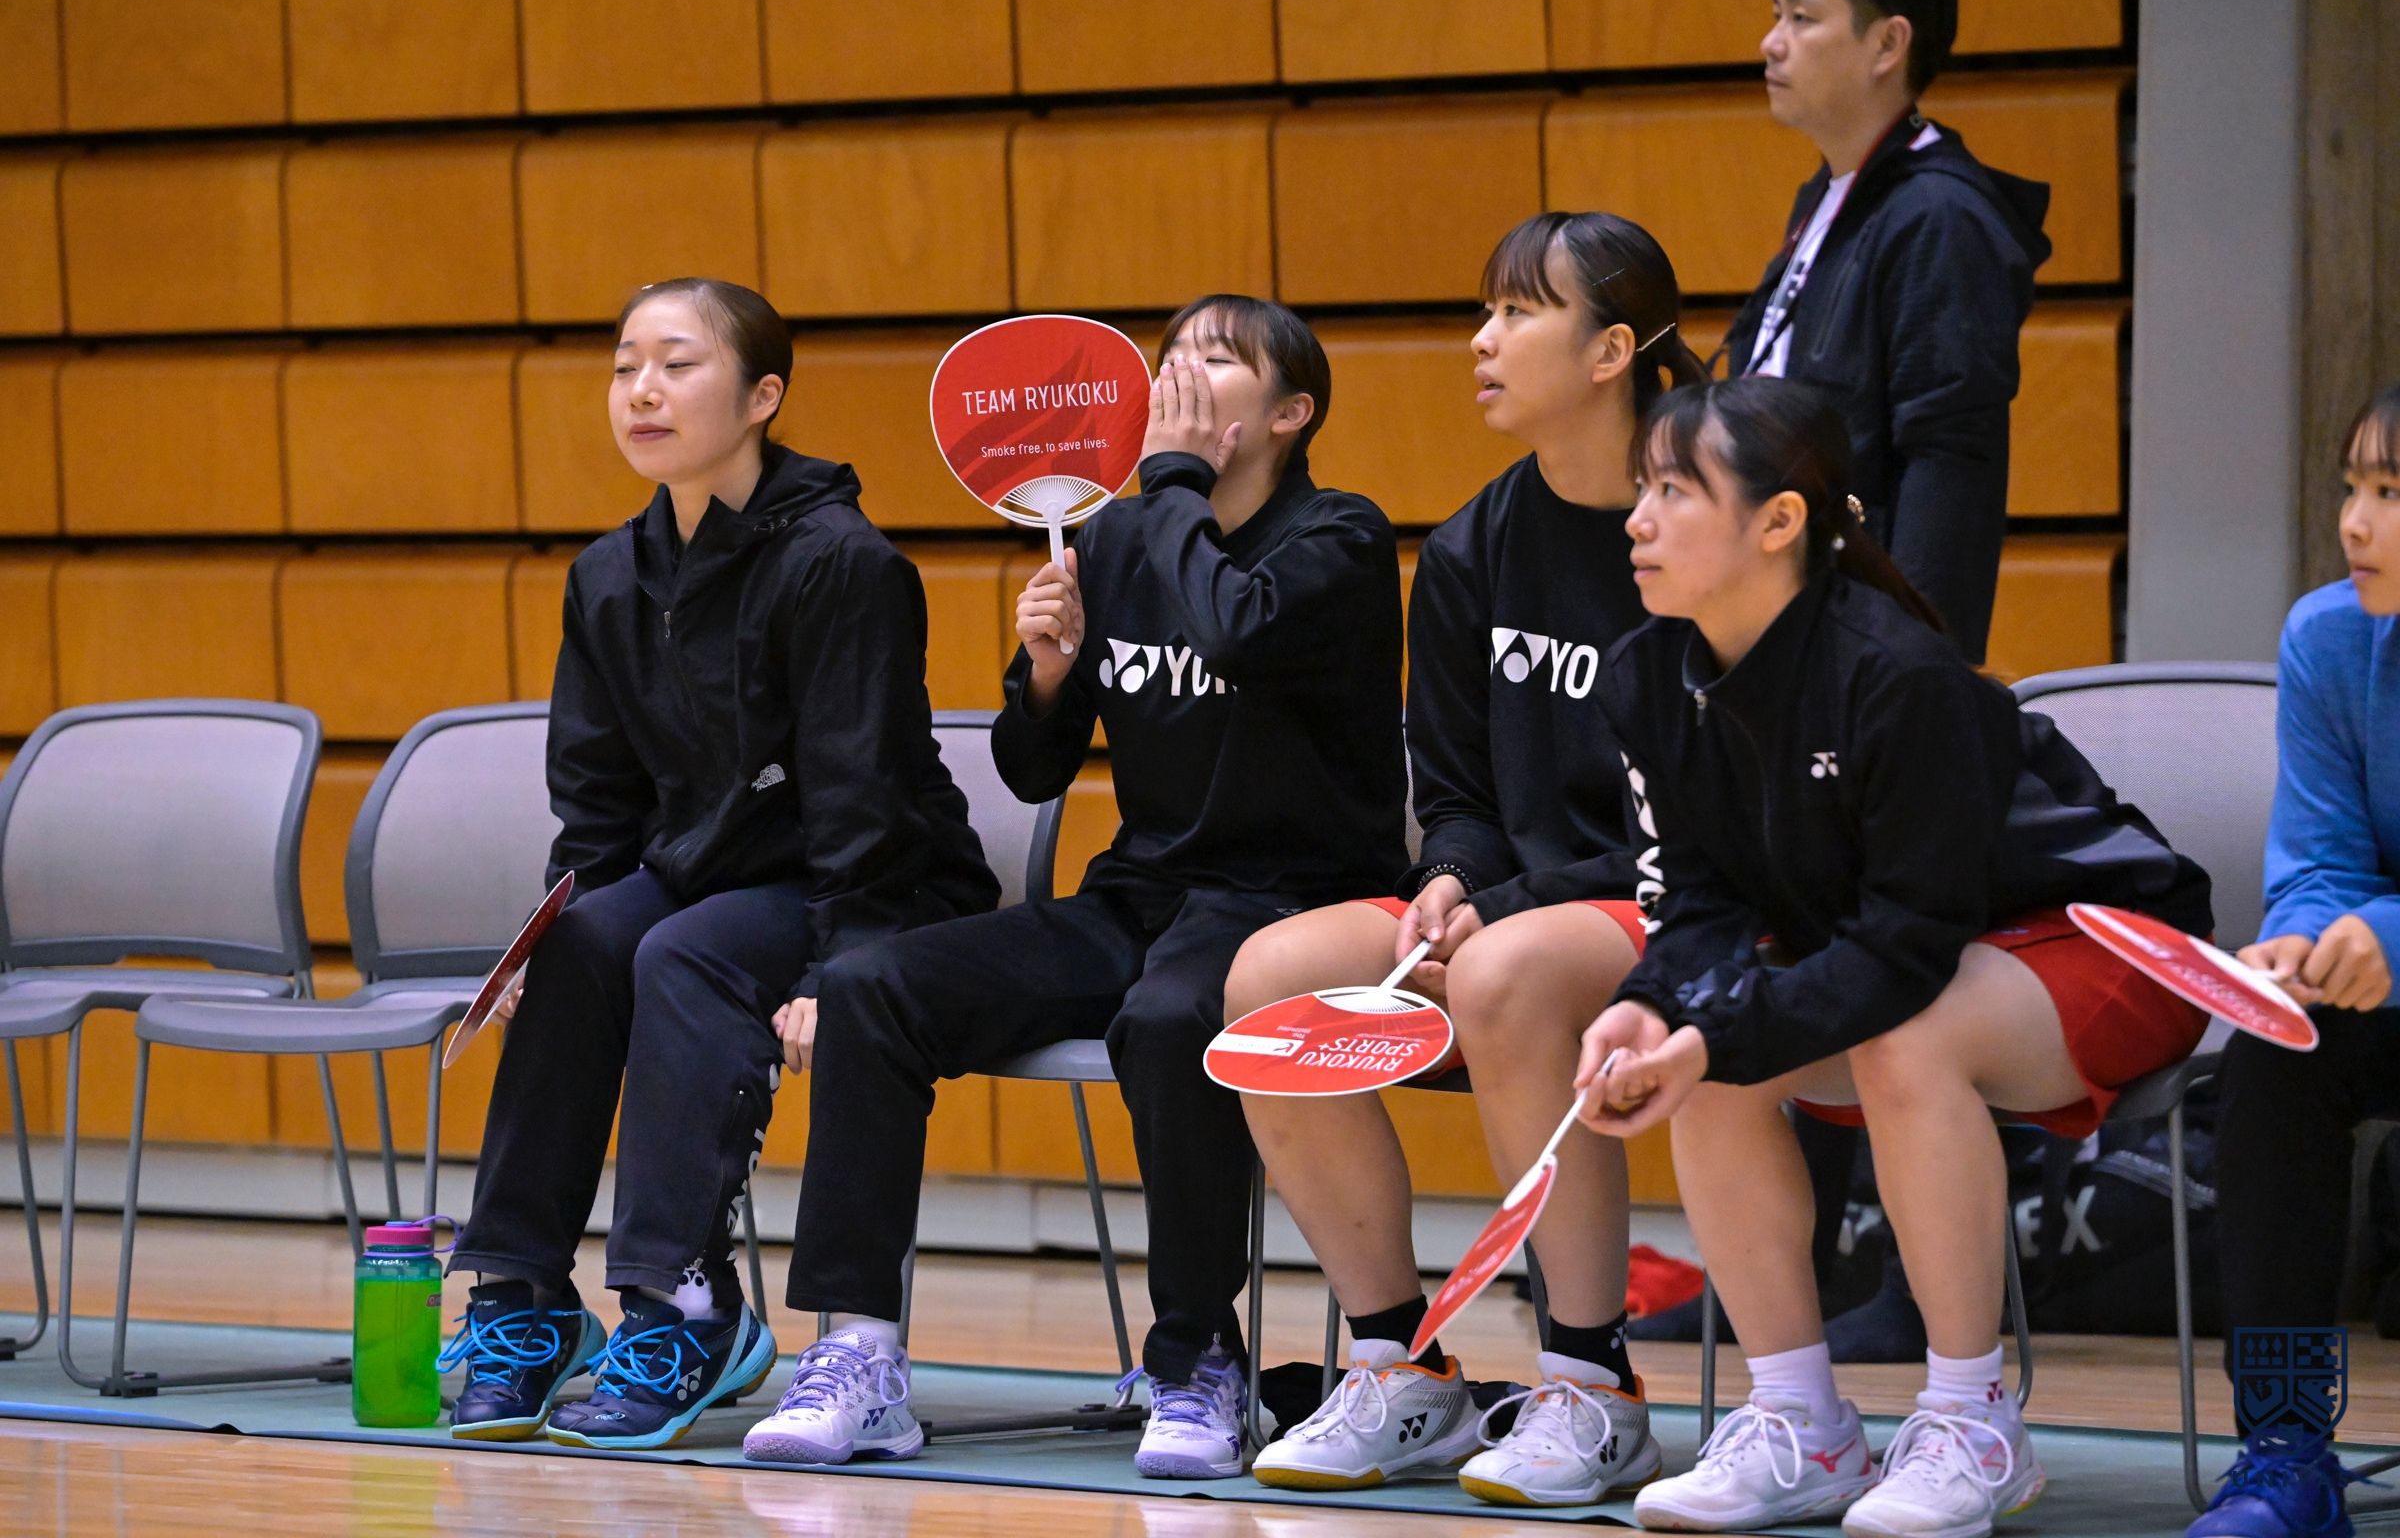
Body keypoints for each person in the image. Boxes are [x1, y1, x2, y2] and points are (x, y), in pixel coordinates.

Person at [744, 296, 1408, 1479]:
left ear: (1291, 412)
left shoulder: (1339, 539)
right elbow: (1030, 766)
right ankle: (859, 1350)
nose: (1180, 375)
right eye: (1171, 358)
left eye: (1218, 359)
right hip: (1138, 897)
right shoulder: (1114, 538)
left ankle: (1199, 1360)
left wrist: (1170, 484)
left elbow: (1237, 628)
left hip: (1287, 905)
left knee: (1171, 1017)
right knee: (870, 986)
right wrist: (1049, 674)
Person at [1573, 376, 2212, 1538]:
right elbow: (1698, 901)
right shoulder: (1646, 678)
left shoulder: (1897, 674)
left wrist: (1717, 1025)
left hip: (2108, 939)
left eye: (1674, 490)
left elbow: (1905, 944)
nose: (1638, 519)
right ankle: (1801, 1423)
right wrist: (1652, 1003)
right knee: (1703, 1052)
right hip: (1935, 955)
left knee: (1902, 1033)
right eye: (1641, 489)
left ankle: (1974, 1421)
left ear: (1779, 521)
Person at [438, 278, 1001, 1451]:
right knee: (586, 937)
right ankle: (522, 1294)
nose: (641, 390)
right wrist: (554, 937)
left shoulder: (841, 562)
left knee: (683, 953)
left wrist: (843, 969)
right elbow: (595, 796)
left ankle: (684, 1302)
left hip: (874, 884)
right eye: (624, 366)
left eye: (676, 364)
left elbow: (862, 791)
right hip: (711, 872)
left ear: (761, 397)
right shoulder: (607, 575)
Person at [1228, 211, 1708, 1507]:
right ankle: (1403, 1363)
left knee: (1504, 973)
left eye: (1519, 312)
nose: (1483, 341)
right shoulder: (1471, 547)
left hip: (1688, 902)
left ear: (1611, 350)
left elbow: (1712, 808)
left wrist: (1496, 909)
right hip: (1518, 908)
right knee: (1269, 979)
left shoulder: (1701, 528)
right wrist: (1448, 874)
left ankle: (1594, 1385)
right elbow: (1455, 789)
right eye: (1484, 311)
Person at [2185, 384, 2400, 1538]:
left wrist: (2391, 937)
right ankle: (2285, 1450)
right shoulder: (2328, 634)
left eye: (2391, 493)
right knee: (2276, 1053)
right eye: (2353, 487)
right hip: (2382, 988)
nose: (2354, 521)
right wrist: (2306, 938)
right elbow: (2318, 856)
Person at [1725, 0, 2050, 664]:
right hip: (1781, 617)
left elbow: (1950, 462)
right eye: (1776, 16)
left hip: (1861, 648)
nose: (1771, 43)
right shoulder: (1827, 196)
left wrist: (1912, 663)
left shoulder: (1941, 217)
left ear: (1887, 45)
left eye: (1802, 18)